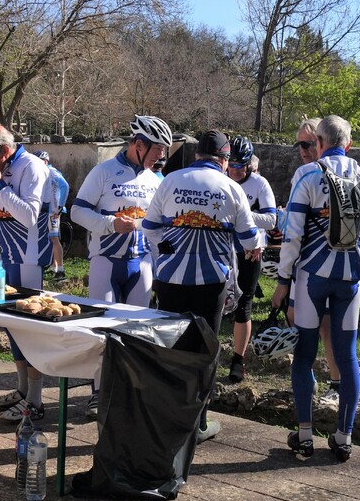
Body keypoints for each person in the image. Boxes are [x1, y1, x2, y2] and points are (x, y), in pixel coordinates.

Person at [271, 115, 360, 463]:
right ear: (349, 144)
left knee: (305, 354)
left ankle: (305, 435)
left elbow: (293, 235)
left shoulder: (308, 175)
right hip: (351, 278)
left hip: (312, 277)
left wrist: (283, 280)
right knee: (347, 355)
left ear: (319, 143)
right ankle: (344, 437)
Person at [144, 129, 261, 443]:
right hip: (211, 281)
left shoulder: (170, 179)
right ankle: (199, 422)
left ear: (197, 155)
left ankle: (167, 417)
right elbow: (250, 238)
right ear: (224, 159)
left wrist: (168, 248)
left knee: (170, 345)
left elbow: (150, 227)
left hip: (170, 279)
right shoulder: (231, 187)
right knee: (205, 350)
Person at [71, 114, 170, 418]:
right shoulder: (103, 172)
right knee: (102, 330)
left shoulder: (157, 180)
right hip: (105, 261)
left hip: (142, 264)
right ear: (138, 144)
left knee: (134, 332)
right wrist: (111, 224)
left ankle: (128, 391)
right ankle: (98, 392)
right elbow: (77, 212)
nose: (161, 155)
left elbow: (160, 226)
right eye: (157, 148)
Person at [0, 124, 52, 421]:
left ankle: (36, 402)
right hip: (4, 258)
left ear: (4, 151)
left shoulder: (31, 167)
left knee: (28, 326)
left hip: (29, 258)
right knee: (9, 323)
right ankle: (22, 390)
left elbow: (29, 216)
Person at [283, 118, 340, 406]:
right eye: (299, 144)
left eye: (308, 143)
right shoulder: (311, 173)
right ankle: (312, 380)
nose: (303, 150)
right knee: (301, 320)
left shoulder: (309, 174)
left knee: (325, 326)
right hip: (318, 264)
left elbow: (295, 228)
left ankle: (332, 383)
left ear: (321, 142)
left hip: (317, 264)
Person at [225, 136, 276, 383]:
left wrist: (242, 215)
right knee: (216, 303)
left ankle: (238, 359)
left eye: (241, 166)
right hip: (223, 250)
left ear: (249, 165)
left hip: (249, 251)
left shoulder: (259, 183)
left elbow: (271, 220)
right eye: (231, 165)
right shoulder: (220, 180)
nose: (235, 171)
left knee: (244, 305)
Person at [35, 151, 70, 280]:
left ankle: (60, 270)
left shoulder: (51, 171)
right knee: (49, 239)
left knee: (54, 239)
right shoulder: (43, 171)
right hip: (46, 210)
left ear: (45, 161)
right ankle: (54, 266)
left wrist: (60, 207)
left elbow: (65, 186)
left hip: (53, 211)